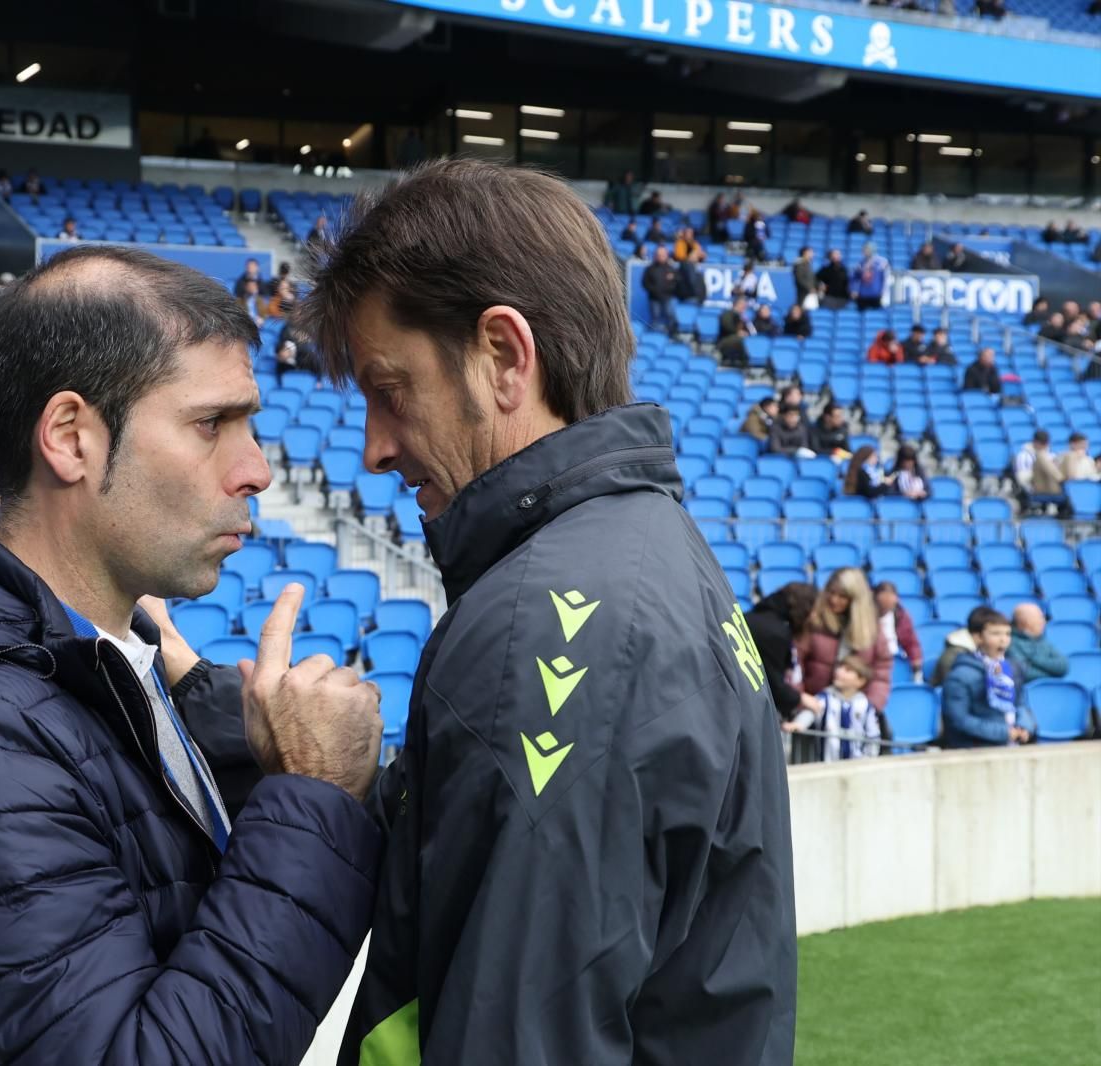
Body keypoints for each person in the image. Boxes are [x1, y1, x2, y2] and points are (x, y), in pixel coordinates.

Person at [0, 245, 385, 1064]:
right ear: (71, 437)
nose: (256, 469)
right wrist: (314, 796)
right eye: (211, 424)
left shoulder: (90, 666)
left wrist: (216, 718)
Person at [300, 159, 794, 1063]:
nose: (374, 447)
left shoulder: (544, 625)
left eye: (388, 389)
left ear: (503, 357)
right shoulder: (660, 545)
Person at [798, 569, 894, 718]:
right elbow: (795, 664)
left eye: (843, 596)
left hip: (855, 716)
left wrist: (870, 707)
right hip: (812, 711)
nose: (834, 600)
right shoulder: (813, 623)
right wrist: (800, 698)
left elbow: (881, 674)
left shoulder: (872, 630)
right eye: (831, 593)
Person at [941, 607, 1034, 748]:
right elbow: (959, 720)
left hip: (1014, 745)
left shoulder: (1014, 667)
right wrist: (1004, 732)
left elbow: (1021, 704)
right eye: (995, 634)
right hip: (979, 750)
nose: (1003, 640)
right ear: (977, 637)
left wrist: (1025, 726)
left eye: (1008, 634)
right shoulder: (960, 676)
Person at [743, 582, 823, 728]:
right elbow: (772, 683)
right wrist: (800, 699)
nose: (814, 616)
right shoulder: (776, 633)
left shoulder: (752, 618)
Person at [786, 655, 881, 760]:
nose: (839, 672)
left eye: (847, 670)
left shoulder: (866, 705)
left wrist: (870, 759)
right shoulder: (825, 698)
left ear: (861, 680)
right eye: (840, 667)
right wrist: (799, 723)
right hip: (827, 763)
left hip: (856, 765)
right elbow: (811, 712)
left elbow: (873, 735)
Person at [873, 580, 924, 680]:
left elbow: (911, 642)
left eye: (890, 605)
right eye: (882, 606)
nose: (886, 610)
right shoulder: (863, 616)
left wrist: (916, 663)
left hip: (894, 659)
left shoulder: (900, 615)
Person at [1008, 603, 1069, 683]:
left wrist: (1033, 660)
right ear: (1026, 622)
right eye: (1040, 618)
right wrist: (1052, 674)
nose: (1044, 622)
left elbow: (1063, 667)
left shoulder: (1043, 641)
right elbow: (1024, 673)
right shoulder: (1010, 642)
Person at [1014, 429, 1067, 514]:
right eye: (1042, 444)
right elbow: (1022, 478)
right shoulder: (1023, 456)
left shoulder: (1050, 455)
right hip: (1035, 488)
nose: (1044, 446)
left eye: (1045, 444)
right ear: (1035, 442)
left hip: (1051, 486)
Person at [641, 245, 678, 335]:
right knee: (655, 318)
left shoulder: (671, 268)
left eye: (663, 254)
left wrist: (667, 290)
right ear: (655, 255)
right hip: (654, 299)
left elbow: (676, 282)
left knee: (671, 316)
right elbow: (645, 283)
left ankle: (672, 336)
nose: (661, 256)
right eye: (659, 254)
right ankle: (655, 337)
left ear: (666, 255)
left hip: (668, 298)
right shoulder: (650, 269)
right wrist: (654, 290)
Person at [854, 244, 890, 311]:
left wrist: (884, 292)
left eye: (866, 250)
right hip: (863, 294)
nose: (863, 252)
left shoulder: (882, 262)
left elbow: (885, 279)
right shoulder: (861, 263)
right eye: (863, 250)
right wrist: (855, 290)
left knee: (876, 316)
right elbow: (856, 278)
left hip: (876, 294)